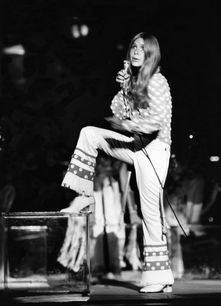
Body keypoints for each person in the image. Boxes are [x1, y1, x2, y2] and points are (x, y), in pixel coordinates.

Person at [60, 32, 174, 293]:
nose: (135, 52)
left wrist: (126, 124)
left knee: (149, 213)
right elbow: (117, 112)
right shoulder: (133, 82)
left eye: (142, 49)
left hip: (155, 149)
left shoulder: (158, 81)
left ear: (151, 55)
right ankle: (83, 193)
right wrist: (125, 88)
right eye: (133, 46)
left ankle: (158, 276)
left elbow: (154, 123)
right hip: (136, 147)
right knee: (89, 133)